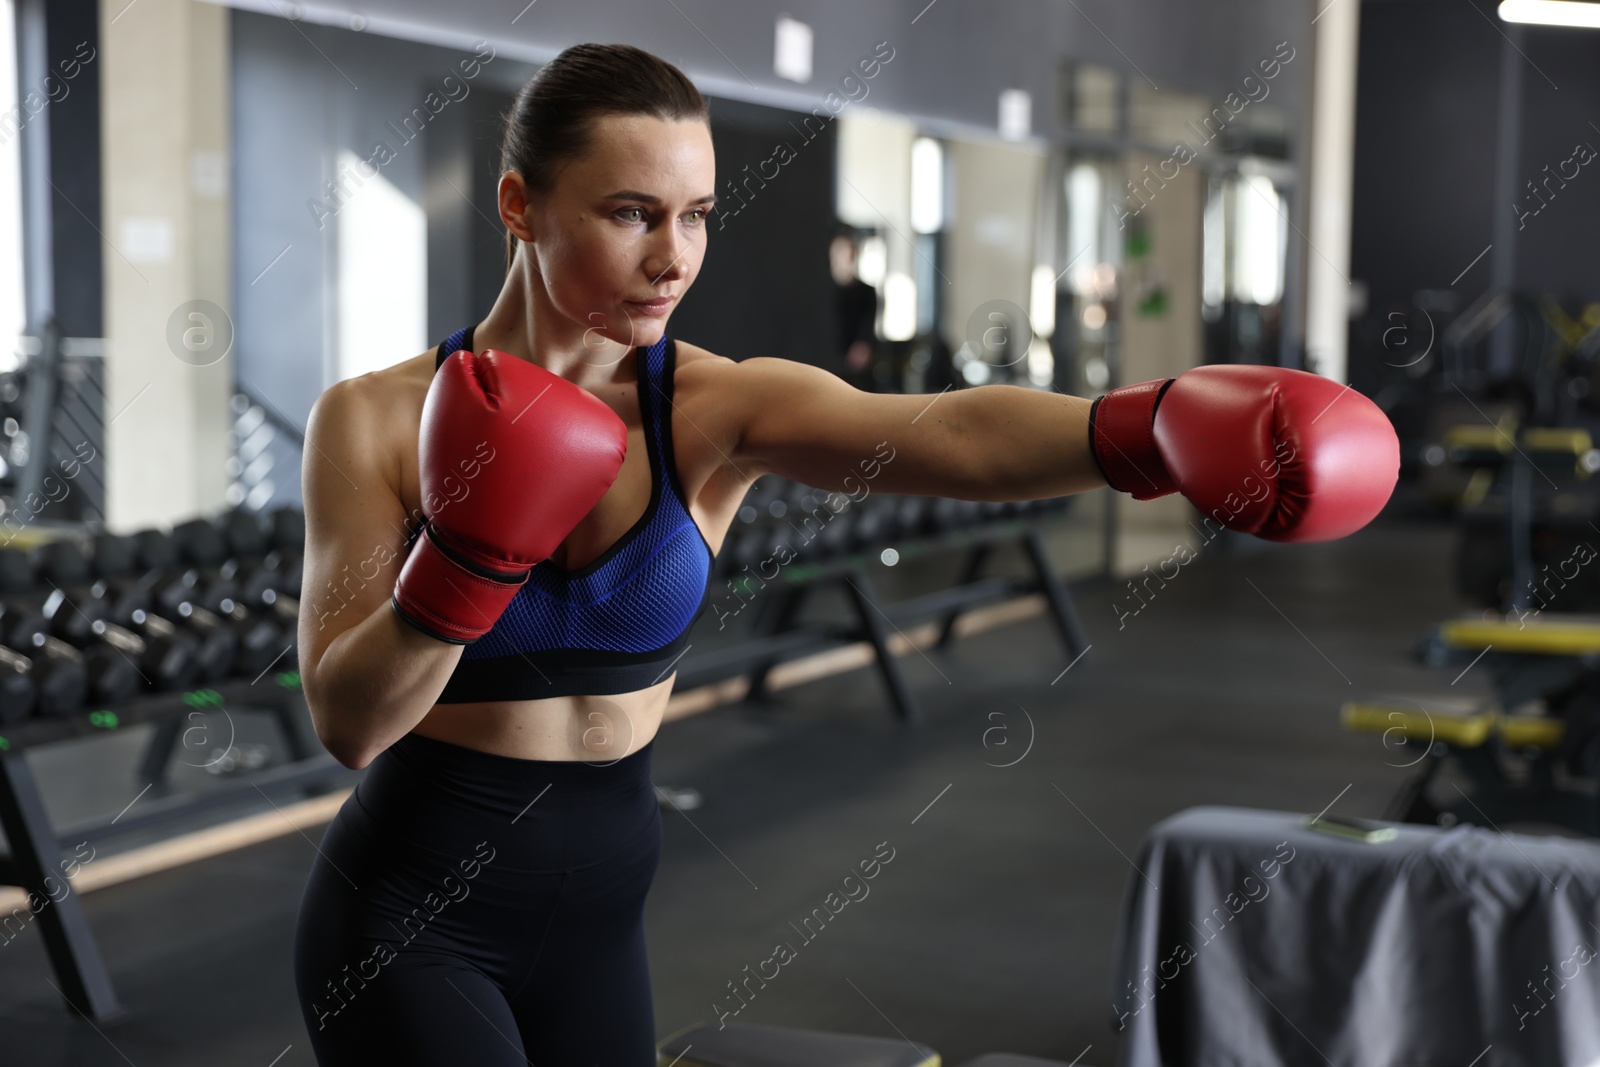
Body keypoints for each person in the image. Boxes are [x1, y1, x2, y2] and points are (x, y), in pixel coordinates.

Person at [291, 42, 1399, 1067]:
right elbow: (348, 721)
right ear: (518, 203)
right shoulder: (375, 420)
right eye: (631, 213)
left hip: (600, 915)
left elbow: (952, 436)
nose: (672, 256)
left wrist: (1141, 427)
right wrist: (469, 561)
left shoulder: (713, 407)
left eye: (696, 214)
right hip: (408, 910)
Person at [829, 227, 879, 390]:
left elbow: (868, 325)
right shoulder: (824, 292)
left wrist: (863, 345)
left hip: (855, 367)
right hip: (829, 360)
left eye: (846, 252)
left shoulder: (866, 292)